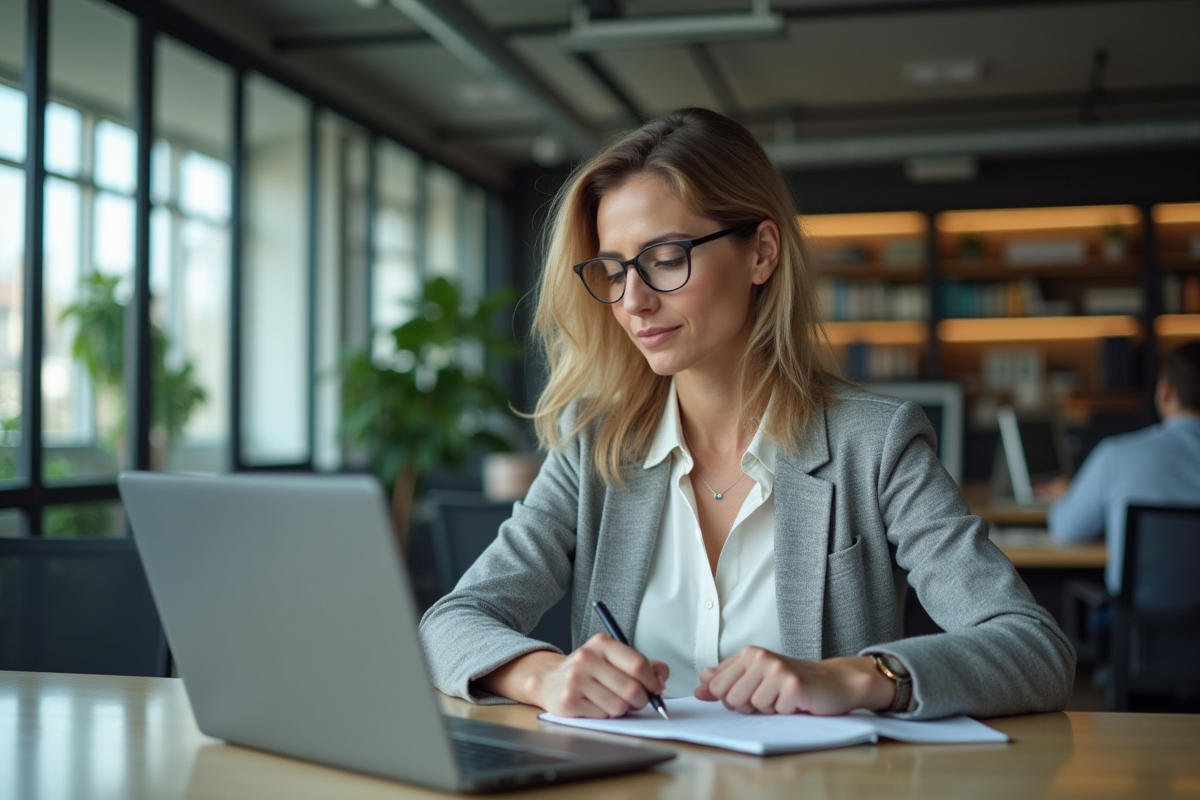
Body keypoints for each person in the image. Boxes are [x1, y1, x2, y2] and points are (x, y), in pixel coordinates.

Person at [419, 107, 1074, 721]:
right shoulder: (596, 449)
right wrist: (542, 677)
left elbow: (1034, 649)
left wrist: (861, 676)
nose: (634, 301)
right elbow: (449, 624)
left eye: (665, 259)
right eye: (614, 270)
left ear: (761, 252)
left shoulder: (873, 445)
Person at [1047, 340, 1200, 596]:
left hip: (1141, 630)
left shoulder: (1116, 455)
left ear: (1165, 392)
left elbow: (1066, 530)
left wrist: (1069, 495)